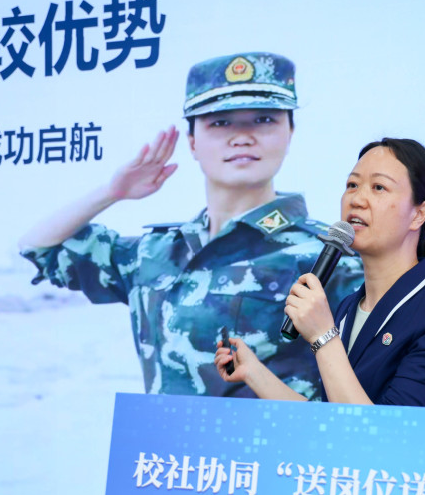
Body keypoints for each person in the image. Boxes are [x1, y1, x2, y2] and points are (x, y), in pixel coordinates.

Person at [19, 52, 363, 398]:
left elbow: (364, 392)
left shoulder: (327, 259)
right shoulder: (154, 253)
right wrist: (112, 192)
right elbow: (38, 248)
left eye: (263, 119)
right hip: (164, 436)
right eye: (220, 122)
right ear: (193, 142)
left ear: (290, 133)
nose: (242, 137)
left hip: (272, 436)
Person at [215, 138, 425, 408]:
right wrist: (254, 372)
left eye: (378, 187)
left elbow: (389, 430)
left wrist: (323, 336)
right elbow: (332, 419)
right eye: (352, 185)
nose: (357, 199)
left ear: (418, 214)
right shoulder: (348, 308)